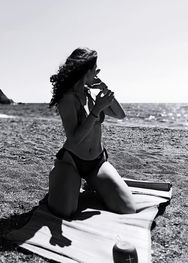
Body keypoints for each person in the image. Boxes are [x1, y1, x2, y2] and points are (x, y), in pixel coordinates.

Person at [47, 47, 136, 218]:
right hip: (71, 161)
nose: (98, 72)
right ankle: (58, 174)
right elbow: (73, 139)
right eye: (95, 69)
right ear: (86, 71)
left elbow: (120, 114)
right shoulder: (67, 99)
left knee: (127, 208)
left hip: (97, 162)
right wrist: (96, 110)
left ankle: (89, 181)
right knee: (64, 212)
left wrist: (104, 88)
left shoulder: (91, 95)